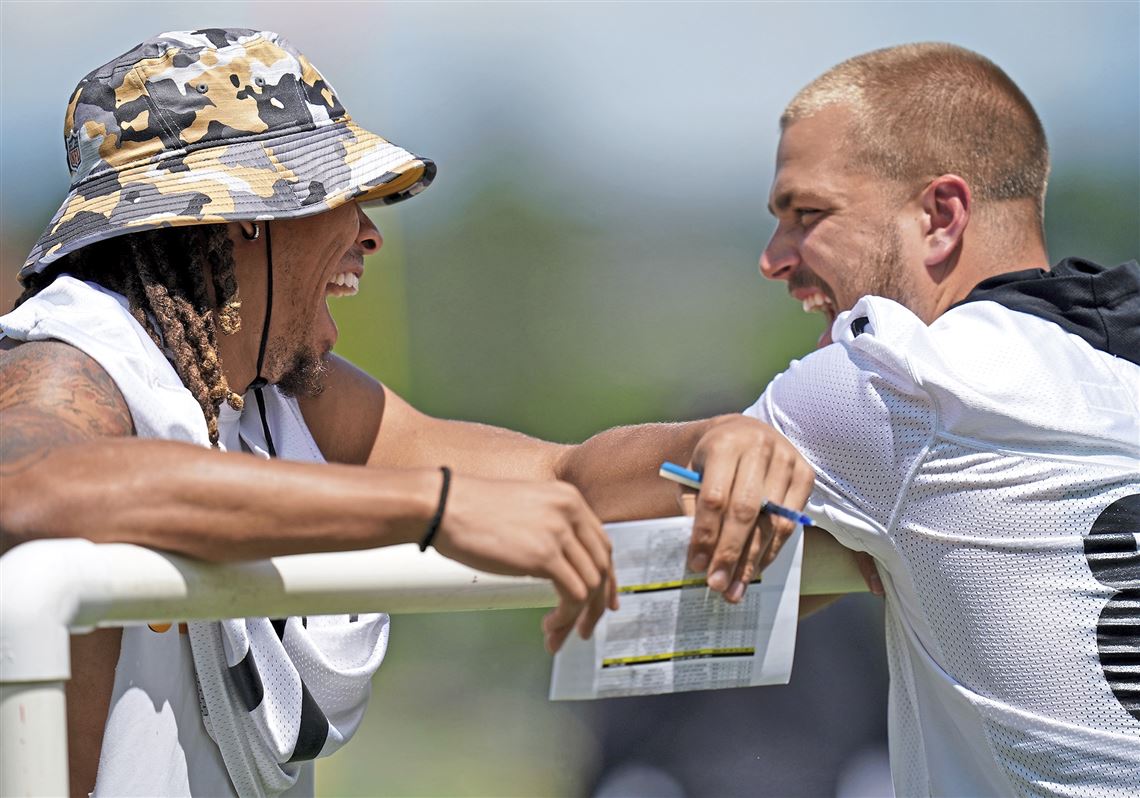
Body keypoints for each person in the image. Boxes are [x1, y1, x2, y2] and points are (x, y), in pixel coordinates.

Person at [0, 28, 822, 797]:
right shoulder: (67, 362)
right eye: (333, 198)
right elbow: (27, 482)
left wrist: (717, 442)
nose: (368, 235)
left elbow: (558, 477)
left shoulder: (267, 397)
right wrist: (425, 510)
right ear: (241, 217)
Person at [687, 42, 1139, 796]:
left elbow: (559, 492)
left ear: (939, 216)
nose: (773, 258)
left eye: (807, 214)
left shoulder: (910, 381)